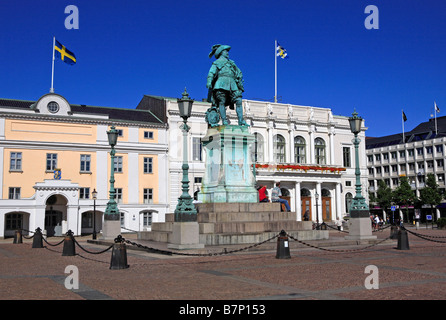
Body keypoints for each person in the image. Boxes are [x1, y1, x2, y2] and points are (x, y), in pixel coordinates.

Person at [207, 44, 248, 126]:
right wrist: (209, 81)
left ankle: (241, 120)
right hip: (221, 83)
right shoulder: (217, 63)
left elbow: (238, 72)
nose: (227, 53)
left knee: (239, 100)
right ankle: (224, 120)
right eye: (226, 51)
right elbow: (211, 73)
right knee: (222, 101)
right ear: (221, 52)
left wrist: (239, 79)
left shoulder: (231, 63)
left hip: (232, 83)